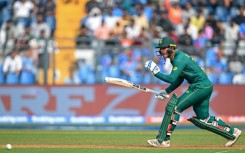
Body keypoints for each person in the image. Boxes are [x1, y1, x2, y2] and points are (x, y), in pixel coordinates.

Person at [144, 36, 242, 148]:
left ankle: (163, 140)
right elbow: (179, 79)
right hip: (205, 86)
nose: (162, 51)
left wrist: (156, 73)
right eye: (160, 48)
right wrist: (167, 91)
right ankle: (233, 132)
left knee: (174, 108)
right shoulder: (175, 57)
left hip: (199, 87)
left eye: (164, 48)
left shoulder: (178, 59)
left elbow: (171, 78)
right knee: (203, 118)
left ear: (172, 47)